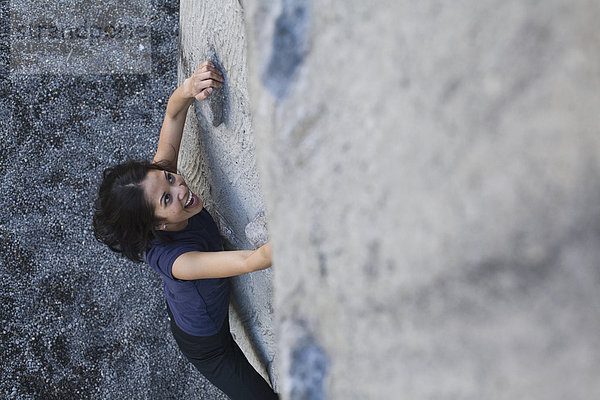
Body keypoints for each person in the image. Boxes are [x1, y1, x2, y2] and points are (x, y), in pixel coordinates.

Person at [93, 61, 279, 400]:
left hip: (191, 306)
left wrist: (190, 87)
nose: (179, 187)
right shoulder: (181, 263)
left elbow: (174, 115)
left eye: (168, 177)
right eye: (167, 198)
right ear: (158, 224)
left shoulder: (161, 186)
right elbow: (253, 260)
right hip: (208, 345)